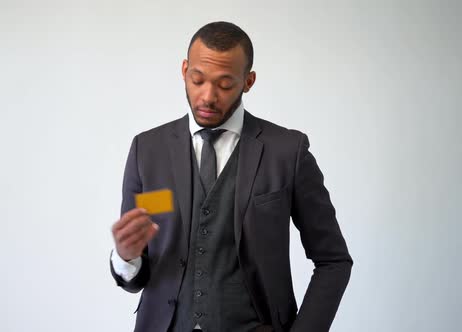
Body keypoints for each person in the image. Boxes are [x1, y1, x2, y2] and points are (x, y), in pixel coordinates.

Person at [109, 21, 352, 332]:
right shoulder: (147, 149)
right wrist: (126, 257)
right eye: (197, 80)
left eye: (224, 85)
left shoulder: (287, 151)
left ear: (248, 81)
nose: (208, 96)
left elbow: (333, 260)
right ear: (184, 70)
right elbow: (135, 276)